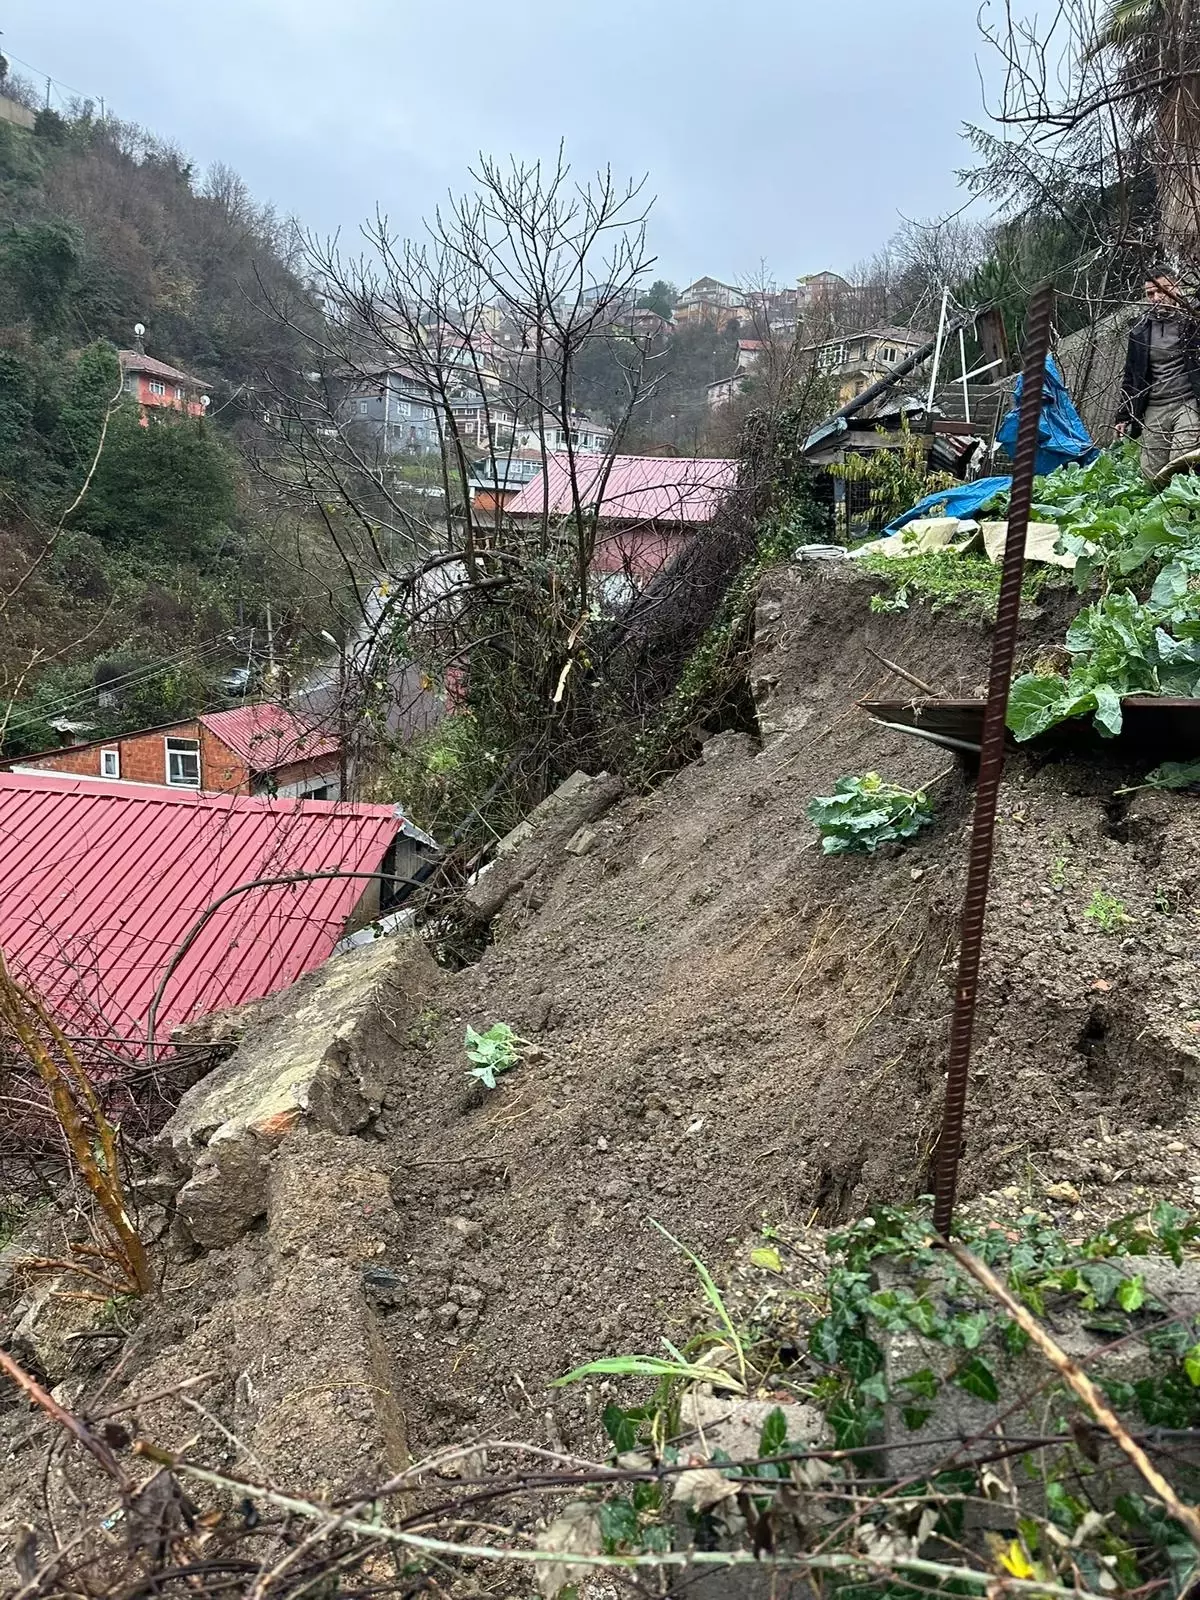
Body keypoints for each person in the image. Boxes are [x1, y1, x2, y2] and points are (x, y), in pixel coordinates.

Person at [1115, 266, 1200, 478]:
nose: (1156, 297)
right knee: (1151, 474)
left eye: (1162, 290)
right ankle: (1166, 509)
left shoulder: (1193, 321)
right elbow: (1131, 375)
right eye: (1150, 294)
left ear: (1176, 288)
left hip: (1187, 402)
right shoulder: (1140, 331)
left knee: (1182, 460)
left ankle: (1188, 506)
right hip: (1155, 406)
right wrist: (1123, 415)